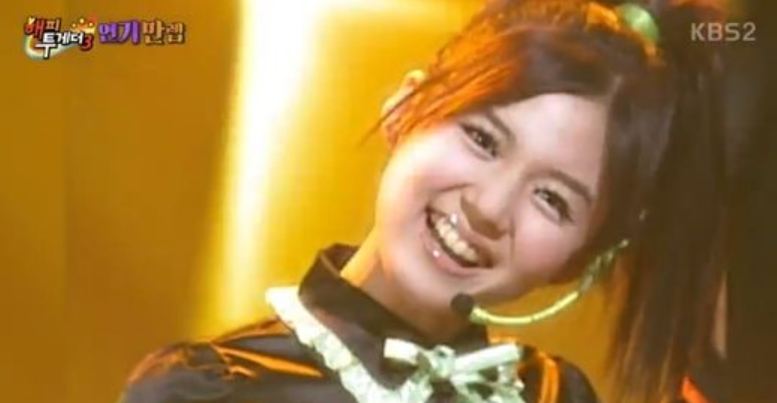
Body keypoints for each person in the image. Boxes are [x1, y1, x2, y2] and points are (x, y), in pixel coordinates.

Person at [117, 1, 727, 402]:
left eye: (552, 199)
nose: (490, 208)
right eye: (483, 140)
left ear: (583, 257)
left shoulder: (553, 395)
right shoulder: (209, 390)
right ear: (406, 108)